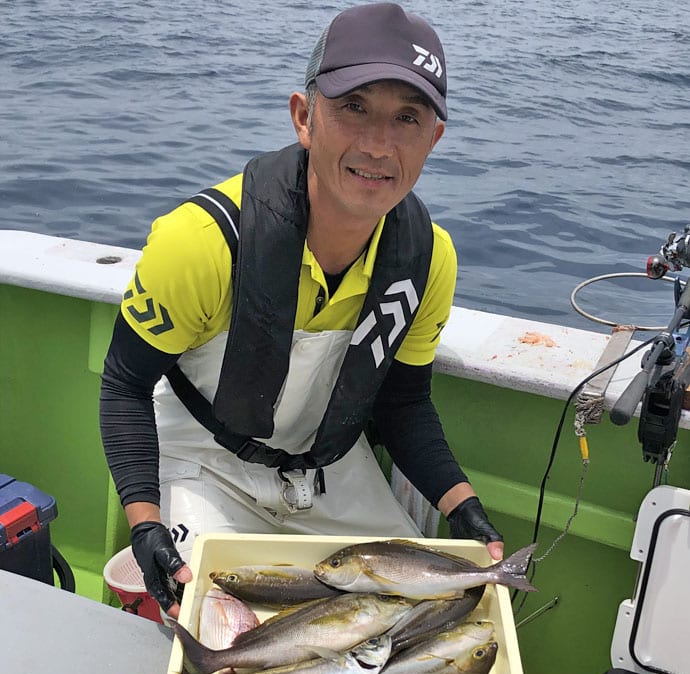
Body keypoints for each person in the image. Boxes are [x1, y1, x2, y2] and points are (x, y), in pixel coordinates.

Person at [99, 1, 504, 619]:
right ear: (304, 116)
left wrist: (462, 508)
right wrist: (145, 523)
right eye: (354, 108)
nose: (378, 143)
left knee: (435, 613)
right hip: (206, 458)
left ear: (434, 138)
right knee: (224, 627)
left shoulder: (429, 259)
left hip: (329, 469)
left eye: (407, 117)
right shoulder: (204, 241)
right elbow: (126, 385)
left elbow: (404, 402)